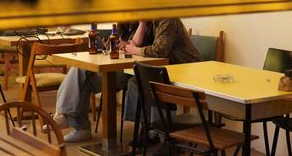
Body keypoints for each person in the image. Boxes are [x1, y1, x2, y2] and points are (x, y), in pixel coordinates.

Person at [51, 19, 200, 143]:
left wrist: (134, 44)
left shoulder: (167, 19)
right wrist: (123, 47)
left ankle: (150, 130)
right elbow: (133, 46)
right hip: (144, 68)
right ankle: (75, 123)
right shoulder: (147, 22)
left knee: (136, 83)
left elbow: (156, 50)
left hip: (179, 69)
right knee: (80, 73)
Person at [49, 21, 154, 142]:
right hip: (115, 66)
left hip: (129, 71)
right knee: (79, 73)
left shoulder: (145, 26)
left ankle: (76, 124)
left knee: (81, 81)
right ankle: (68, 118)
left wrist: (139, 27)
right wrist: (109, 47)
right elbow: (120, 49)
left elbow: (134, 46)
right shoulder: (122, 26)